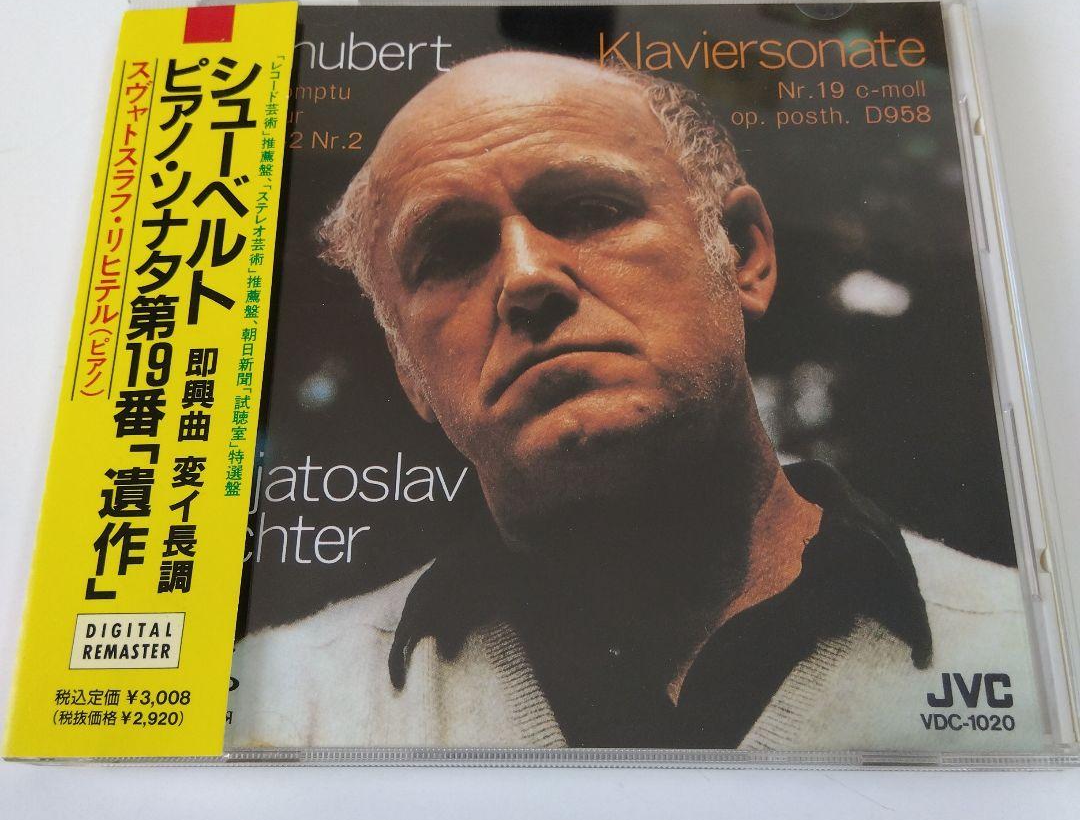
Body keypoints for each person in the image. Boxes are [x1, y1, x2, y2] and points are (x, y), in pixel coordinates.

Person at [227, 51, 1042, 753]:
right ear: (409, 370)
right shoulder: (272, 712)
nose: (526, 279)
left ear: (743, 255)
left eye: (590, 211)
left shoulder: (1033, 652)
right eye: (450, 251)